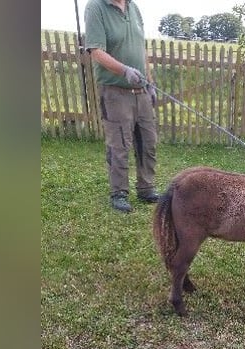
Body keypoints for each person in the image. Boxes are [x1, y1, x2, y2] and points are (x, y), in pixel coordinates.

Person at [84, 0, 160, 212]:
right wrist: (124, 70)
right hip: (115, 91)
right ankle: (119, 193)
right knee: (119, 146)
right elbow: (96, 51)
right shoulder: (96, 8)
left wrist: (150, 83)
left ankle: (146, 188)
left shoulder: (133, 7)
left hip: (141, 91)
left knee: (148, 142)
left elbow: (141, 49)